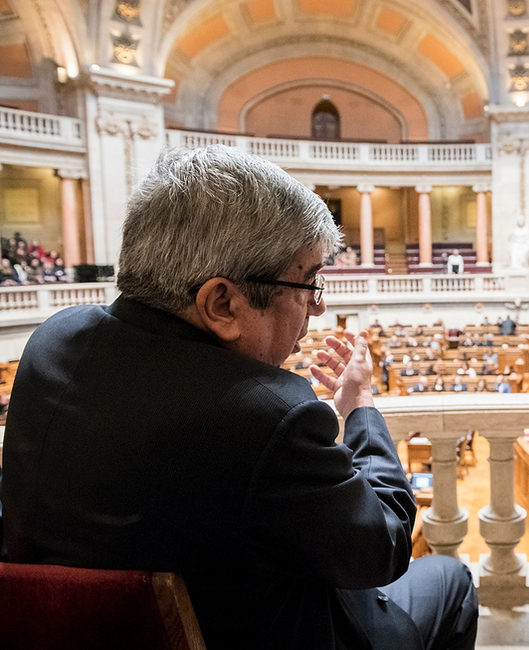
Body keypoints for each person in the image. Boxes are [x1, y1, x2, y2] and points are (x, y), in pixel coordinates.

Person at [0, 145, 477, 650]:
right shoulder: (269, 417)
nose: (317, 307)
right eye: (308, 281)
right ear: (222, 303)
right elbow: (382, 548)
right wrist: (361, 407)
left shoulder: (53, 342)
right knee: (451, 580)